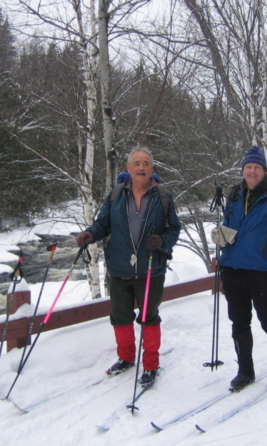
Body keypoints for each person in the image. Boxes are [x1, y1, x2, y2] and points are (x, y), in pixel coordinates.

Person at [76, 146, 181, 388]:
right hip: (120, 266)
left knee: (148, 317)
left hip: (151, 267)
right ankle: (126, 357)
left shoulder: (163, 197)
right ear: (128, 168)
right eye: (137, 163)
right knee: (120, 316)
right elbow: (103, 223)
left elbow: (174, 229)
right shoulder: (115, 196)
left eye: (146, 163)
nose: (141, 168)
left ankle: (151, 364)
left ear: (151, 168)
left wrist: (163, 241)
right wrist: (90, 234)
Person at [213, 145, 267, 393]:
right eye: (248, 167)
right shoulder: (235, 195)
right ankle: (245, 371)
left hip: (263, 270)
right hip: (232, 268)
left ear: (263, 170)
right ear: (243, 170)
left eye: (256, 167)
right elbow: (229, 226)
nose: (251, 172)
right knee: (239, 322)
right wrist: (220, 235)